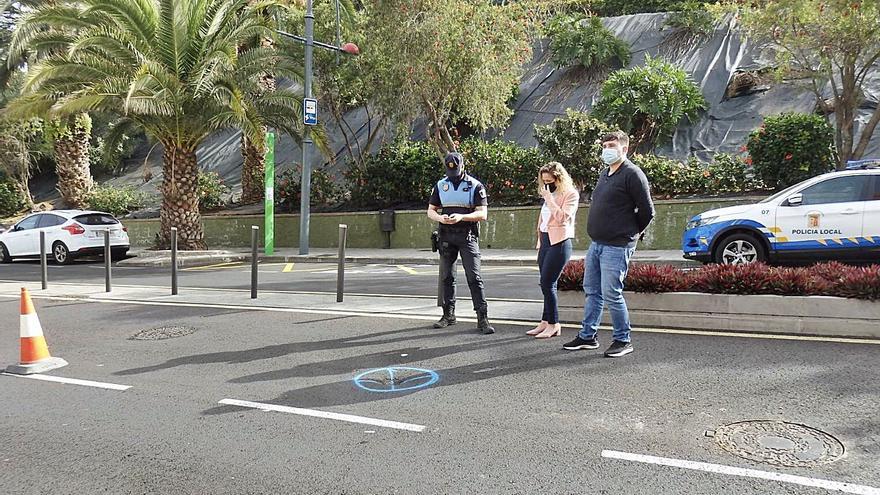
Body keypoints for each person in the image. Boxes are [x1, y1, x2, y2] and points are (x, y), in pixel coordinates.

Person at [563, 131, 655, 358]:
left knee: (612, 293)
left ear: (625, 148)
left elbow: (647, 211)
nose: (607, 149)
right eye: (604, 146)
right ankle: (588, 336)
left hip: (618, 245)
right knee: (592, 291)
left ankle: (623, 340)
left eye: (611, 145)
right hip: (597, 243)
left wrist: (631, 232)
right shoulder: (605, 174)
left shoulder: (633, 174)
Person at [427, 152, 495, 334]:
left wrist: (461, 217)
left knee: (474, 277)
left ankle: (482, 318)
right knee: (447, 277)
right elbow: (431, 211)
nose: (453, 175)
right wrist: (440, 218)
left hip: (467, 236)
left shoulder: (475, 186)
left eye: (456, 171)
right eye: (450, 172)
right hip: (446, 236)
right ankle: (448, 315)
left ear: (463, 166)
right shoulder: (440, 185)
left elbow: (483, 213)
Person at [527, 162, 579, 339]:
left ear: (559, 178)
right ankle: (545, 321)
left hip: (560, 242)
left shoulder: (570, 194)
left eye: (550, 181)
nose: (547, 184)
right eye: (544, 181)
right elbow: (543, 221)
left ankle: (554, 323)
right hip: (545, 241)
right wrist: (540, 242)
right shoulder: (549, 194)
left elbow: (563, 217)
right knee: (546, 284)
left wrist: (549, 199)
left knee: (547, 283)